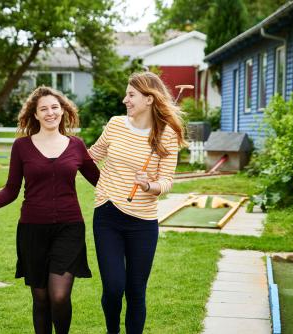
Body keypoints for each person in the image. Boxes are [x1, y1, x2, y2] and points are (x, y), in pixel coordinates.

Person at [0, 86, 99, 334]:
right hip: (32, 231)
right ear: (35, 115)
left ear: (63, 110)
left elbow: (101, 182)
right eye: (44, 109)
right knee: (40, 299)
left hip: (69, 228)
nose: (50, 113)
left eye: (54, 107)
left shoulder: (76, 145)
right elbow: (11, 189)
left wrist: (135, 182)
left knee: (59, 296)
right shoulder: (22, 147)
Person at [88, 72, 186, 334]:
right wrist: (57, 153)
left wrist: (148, 185)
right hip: (107, 216)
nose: (125, 100)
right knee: (113, 287)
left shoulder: (167, 135)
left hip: (142, 222)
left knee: (135, 291)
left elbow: (166, 181)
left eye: (131, 95)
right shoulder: (115, 125)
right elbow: (91, 156)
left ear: (149, 99)